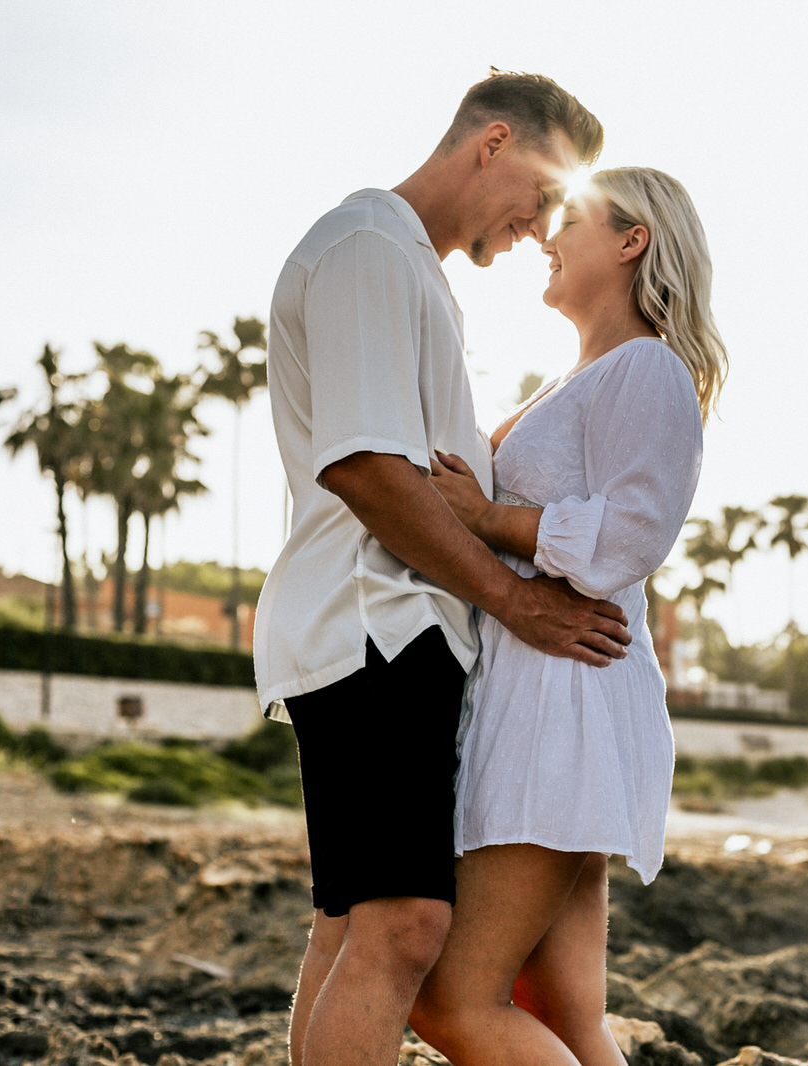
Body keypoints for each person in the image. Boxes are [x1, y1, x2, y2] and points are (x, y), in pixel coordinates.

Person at [252, 71, 633, 1066]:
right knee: (405, 928)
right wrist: (513, 601)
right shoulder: (371, 249)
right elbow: (367, 469)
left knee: (353, 925)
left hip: (374, 628)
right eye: (542, 196)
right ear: (493, 143)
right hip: (377, 625)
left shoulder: (401, 265)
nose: (539, 227)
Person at [408, 167, 727, 1066]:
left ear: (633, 242)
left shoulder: (649, 367)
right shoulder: (581, 377)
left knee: (452, 1003)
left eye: (572, 219)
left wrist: (484, 517)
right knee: (558, 1009)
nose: (547, 232)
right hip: (552, 696)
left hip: (563, 707)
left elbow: (632, 534)